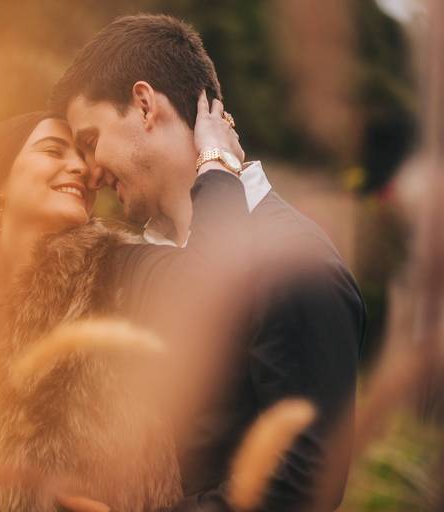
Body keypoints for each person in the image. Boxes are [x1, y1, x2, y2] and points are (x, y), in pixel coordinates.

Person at [0, 107, 249, 512]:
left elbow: (220, 284)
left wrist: (216, 162)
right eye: (53, 151)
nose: (80, 167)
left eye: (83, 154)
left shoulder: (117, 273)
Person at [49, 14, 366, 511]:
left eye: (90, 142)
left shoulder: (301, 268)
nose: (89, 172)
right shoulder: (138, 259)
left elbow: (300, 491)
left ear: (144, 104)